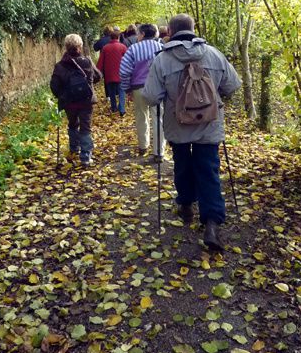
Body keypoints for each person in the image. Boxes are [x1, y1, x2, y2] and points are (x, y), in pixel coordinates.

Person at [143, 14, 241, 250]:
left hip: (178, 125)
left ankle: (186, 205)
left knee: (183, 164)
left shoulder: (163, 60)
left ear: (171, 31)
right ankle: (211, 223)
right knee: (209, 170)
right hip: (209, 124)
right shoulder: (214, 54)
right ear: (193, 29)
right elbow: (233, 86)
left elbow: (150, 96)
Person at [50, 34, 101, 166]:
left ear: (66, 47)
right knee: (85, 127)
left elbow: (54, 86)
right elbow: (98, 76)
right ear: (80, 46)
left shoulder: (60, 66)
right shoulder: (87, 62)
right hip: (86, 101)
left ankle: (74, 149)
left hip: (69, 102)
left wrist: (62, 95)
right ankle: (85, 157)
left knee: (73, 124)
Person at [119, 23, 165, 161]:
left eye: (138, 33)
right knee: (158, 118)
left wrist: (127, 89)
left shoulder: (133, 49)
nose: (137, 36)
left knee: (141, 116)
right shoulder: (161, 48)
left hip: (138, 87)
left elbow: (124, 71)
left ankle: (143, 146)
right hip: (157, 87)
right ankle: (158, 152)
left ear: (143, 34)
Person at [97, 30, 127, 116]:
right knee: (121, 91)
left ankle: (114, 107)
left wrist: (98, 73)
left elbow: (100, 62)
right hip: (121, 73)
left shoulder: (105, 48)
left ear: (110, 37)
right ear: (118, 37)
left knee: (112, 92)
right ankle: (122, 109)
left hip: (109, 74)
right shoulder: (123, 47)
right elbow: (127, 59)